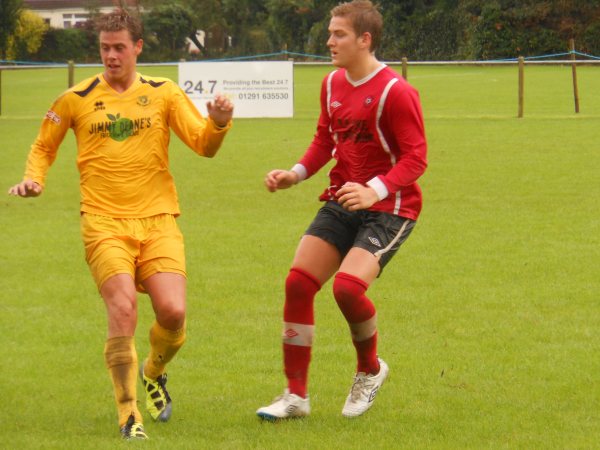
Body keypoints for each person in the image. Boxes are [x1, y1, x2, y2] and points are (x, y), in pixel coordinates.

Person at [8, 9, 233, 440]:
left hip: (159, 218)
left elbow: (204, 145)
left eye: (119, 48)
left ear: (138, 48)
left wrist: (219, 123)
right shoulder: (75, 97)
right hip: (103, 220)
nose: (111, 56)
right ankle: (129, 414)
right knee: (123, 309)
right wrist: (34, 178)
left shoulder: (163, 92)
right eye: (104, 49)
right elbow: (43, 145)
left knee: (173, 311)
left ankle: (154, 371)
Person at [257, 0, 427, 420]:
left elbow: (417, 156)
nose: (329, 41)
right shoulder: (332, 84)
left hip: (391, 209)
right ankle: (296, 397)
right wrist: (295, 174)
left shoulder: (396, 91)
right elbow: (324, 142)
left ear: (364, 39)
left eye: (339, 34)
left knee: (348, 289)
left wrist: (375, 189)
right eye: (330, 33)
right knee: (298, 283)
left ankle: (370, 370)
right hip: (341, 199)